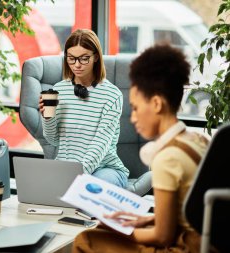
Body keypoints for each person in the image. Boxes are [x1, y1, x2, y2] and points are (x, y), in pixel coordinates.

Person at [72, 44, 210, 253]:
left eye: (135, 108)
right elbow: (187, 210)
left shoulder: (167, 159)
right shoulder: (200, 140)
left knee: (87, 238)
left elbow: (162, 236)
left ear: (156, 104)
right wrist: (140, 220)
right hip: (204, 239)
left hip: (185, 247)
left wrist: (121, 230)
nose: (133, 118)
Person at [39, 29, 129, 188]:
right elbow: (53, 140)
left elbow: (100, 145)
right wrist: (48, 118)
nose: (77, 64)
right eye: (71, 59)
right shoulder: (58, 90)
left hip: (104, 169)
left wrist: (76, 176)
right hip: (67, 168)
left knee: (90, 188)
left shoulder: (112, 95)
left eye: (84, 58)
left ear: (96, 57)